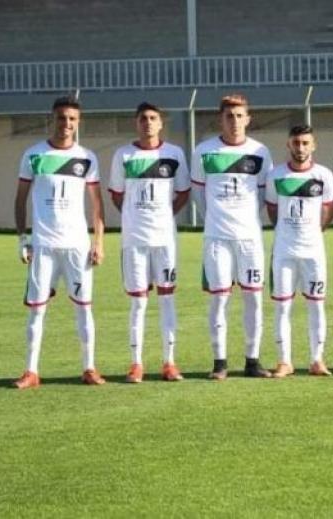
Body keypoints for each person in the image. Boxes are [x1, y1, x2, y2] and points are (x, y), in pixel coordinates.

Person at [12, 96, 106, 389]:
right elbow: (20, 199)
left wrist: (98, 241)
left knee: (83, 308)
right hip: (43, 246)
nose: (67, 123)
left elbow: (97, 205)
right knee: (37, 309)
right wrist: (23, 238)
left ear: (78, 122)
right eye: (62, 117)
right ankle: (31, 371)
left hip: (77, 247)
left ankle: (89, 368)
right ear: (52, 119)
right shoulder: (33, 155)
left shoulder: (87, 157)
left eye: (72, 119)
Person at [191, 94, 274, 380]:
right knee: (219, 299)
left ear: (248, 119)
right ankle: (220, 363)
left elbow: (262, 193)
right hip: (217, 238)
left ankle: (253, 361)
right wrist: (217, 219)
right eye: (229, 116)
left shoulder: (260, 151)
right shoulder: (204, 151)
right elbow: (199, 194)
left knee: (254, 299)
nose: (235, 121)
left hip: (250, 239)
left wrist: (244, 218)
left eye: (240, 116)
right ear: (220, 119)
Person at [108, 102, 190, 383]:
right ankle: (136, 364)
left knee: (167, 300)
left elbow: (182, 193)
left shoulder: (174, 154)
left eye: (153, 118)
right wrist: (133, 217)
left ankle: (169, 362)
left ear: (161, 123)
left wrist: (163, 216)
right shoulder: (123, 155)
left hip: (165, 240)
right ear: (136, 122)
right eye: (143, 118)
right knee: (138, 303)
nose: (148, 122)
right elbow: (117, 194)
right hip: (134, 241)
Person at [265, 125, 333, 377]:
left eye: (306, 143)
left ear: (313, 145)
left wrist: (313, 233)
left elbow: (329, 210)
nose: (301, 148)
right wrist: (288, 231)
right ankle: (284, 361)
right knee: (283, 307)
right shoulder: (276, 175)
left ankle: (317, 360)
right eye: (296, 143)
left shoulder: (324, 175)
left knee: (316, 305)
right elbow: (272, 210)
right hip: (284, 252)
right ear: (288, 145)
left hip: (314, 252)